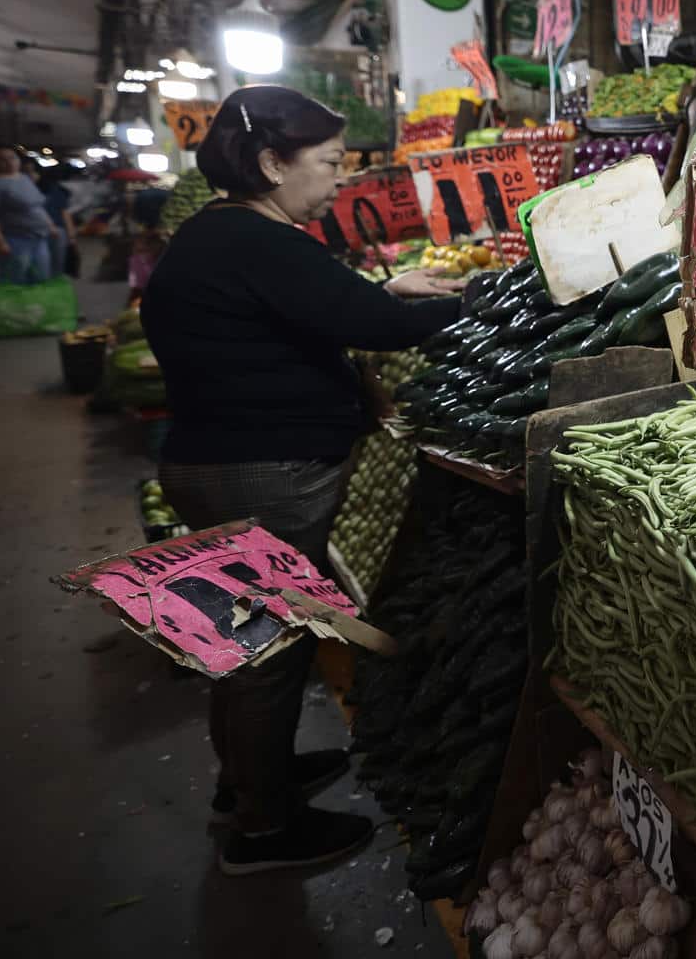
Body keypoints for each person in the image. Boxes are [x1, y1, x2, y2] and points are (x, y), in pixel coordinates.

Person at [142, 85, 465, 876]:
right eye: (326, 165)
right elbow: (372, 327)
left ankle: (249, 781)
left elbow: (311, 312)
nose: (337, 181)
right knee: (270, 649)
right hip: (259, 474)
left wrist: (384, 292)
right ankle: (264, 829)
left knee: (239, 639)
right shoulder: (261, 243)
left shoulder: (220, 234)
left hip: (217, 461)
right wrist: (483, 302)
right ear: (270, 162)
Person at [0, 145, 59, 283]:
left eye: (12, 158)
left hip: (38, 235)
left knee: (41, 276)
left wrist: (50, 225)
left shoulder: (23, 178)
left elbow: (36, 205)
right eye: (2, 159)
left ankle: (35, 304)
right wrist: (0, 242)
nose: (9, 162)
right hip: (13, 239)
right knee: (16, 278)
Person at [25, 159, 79, 278]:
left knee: (56, 267)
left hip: (56, 231)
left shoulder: (52, 189)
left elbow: (64, 213)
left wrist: (71, 237)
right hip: (30, 233)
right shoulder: (18, 191)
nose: (29, 176)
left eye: (32, 172)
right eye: (25, 172)